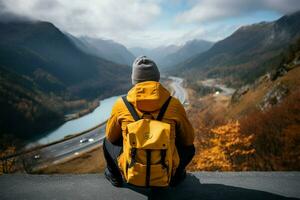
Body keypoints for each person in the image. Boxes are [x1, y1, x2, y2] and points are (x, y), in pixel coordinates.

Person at [103, 55, 195, 187]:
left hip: (132, 169)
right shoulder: (174, 104)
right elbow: (188, 140)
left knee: (106, 141)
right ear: (157, 78)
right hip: (165, 166)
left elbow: (111, 137)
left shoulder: (121, 105)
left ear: (134, 81)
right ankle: (174, 176)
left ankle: (115, 177)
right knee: (189, 148)